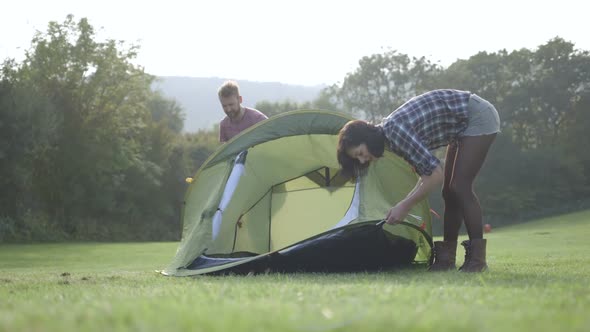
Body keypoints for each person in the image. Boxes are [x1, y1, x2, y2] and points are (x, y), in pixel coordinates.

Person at [336, 89, 500, 273]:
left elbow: (434, 175)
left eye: (359, 153)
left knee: (460, 187)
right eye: (357, 159)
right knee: (449, 192)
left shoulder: (395, 133)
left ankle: (477, 260)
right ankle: (446, 258)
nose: (362, 160)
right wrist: (403, 204)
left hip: (476, 115)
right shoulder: (390, 139)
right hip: (459, 129)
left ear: (365, 138)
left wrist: (404, 206)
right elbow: (427, 175)